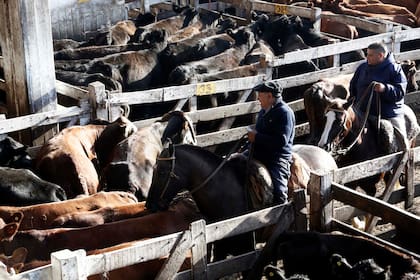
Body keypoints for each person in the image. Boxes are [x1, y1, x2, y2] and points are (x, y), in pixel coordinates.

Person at [246, 80, 295, 204]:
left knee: (279, 192)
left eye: (260, 95)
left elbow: (281, 141)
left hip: (276, 158)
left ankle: (283, 211)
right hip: (258, 152)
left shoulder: (285, 113)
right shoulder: (263, 111)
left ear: (269, 96)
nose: (258, 98)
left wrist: (256, 137)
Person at [349, 42, 408, 138]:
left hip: (388, 112)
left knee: (400, 137)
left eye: (370, 55)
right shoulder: (362, 68)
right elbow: (353, 86)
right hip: (361, 110)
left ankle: (404, 151)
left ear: (380, 55)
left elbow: (400, 92)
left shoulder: (394, 69)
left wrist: (384, 89)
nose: (367, 57)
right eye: (367, 54)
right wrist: (355, 103)